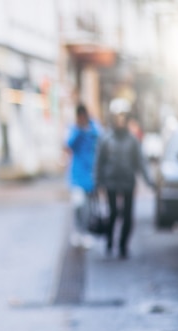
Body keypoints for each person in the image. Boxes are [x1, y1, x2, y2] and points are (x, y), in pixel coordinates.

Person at [95, 97, 154, 259]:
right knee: (113, 213)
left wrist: (150, 181)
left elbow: (141, 162)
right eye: (117, 117)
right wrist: (97, 182)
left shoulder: (133, 140)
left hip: (128, 182)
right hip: (111, 182)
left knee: (128, 216)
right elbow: (99, 162)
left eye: (123, 117)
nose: (120, 120)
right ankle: (109, 240)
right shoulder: (106, 139)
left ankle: (122, 245)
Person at [65, 103, 100, 248]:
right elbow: (68, 145)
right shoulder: (74, 129)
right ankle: (78, 232)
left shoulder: (94, 129)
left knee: (87, 208)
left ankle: (85, 233)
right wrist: (80, 131)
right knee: (78, 206)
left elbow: (100, 141)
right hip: (77, 176)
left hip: (91, 175)